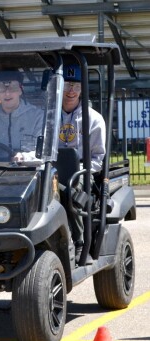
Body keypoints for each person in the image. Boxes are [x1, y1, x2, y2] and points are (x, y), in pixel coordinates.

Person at [59, 64, 106, 257]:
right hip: (52, 171)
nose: (71, 91)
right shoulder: (49, 116)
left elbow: (97, 158)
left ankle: (80, 242)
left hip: (82, 173)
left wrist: (78, 169)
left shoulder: (94, 119)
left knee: (69, 191)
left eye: (76, 86)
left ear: (82, 89)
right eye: (67, 84)